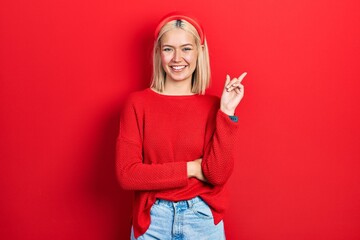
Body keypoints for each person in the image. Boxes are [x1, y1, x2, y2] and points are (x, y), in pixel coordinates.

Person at [116, 12, 247, 240]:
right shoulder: (137, 104)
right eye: (168, 49)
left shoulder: (213, 106)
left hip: (202, 220)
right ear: (159, 53)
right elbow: (128, 174)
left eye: (186, 48)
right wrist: (193, 168)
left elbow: (217, 175)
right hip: (152, 219)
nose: (177, 58)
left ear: (199, 52)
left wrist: (227, 112)